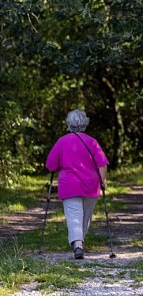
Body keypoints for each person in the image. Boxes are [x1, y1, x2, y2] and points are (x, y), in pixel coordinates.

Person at [45, 110, 109, 259]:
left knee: (74, 216)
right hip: (91, 184)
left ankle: (78, 244)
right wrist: (103, 180)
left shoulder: (62, 142)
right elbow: (102, 164)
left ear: (69, 124)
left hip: (69, 185)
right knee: (85, 216)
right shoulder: (92, 142)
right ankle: (79, 244)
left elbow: (51, 165)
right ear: (85, 124)